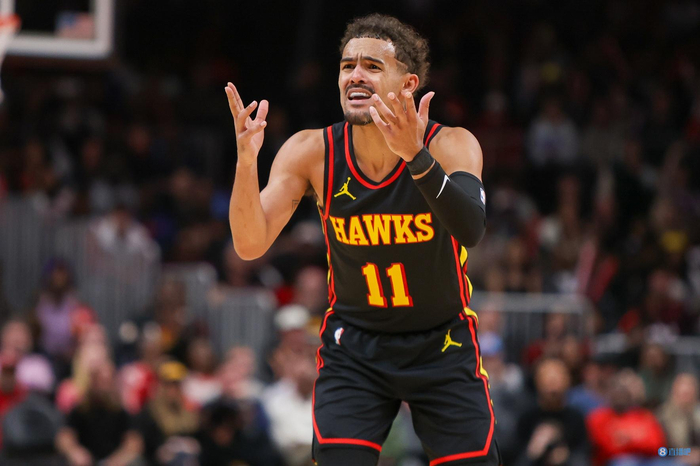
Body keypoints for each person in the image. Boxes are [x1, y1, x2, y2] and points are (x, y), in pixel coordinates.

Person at [226, 13, 496, 466]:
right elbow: (249, 244)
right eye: (347, 65)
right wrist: (246, 162)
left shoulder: (451, 144)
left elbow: (472, 228)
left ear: (408, 84)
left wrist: (416, 157)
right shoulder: (311, 151)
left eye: (372, 66)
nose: (355, 75)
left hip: (442, 343)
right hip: (355, 346)